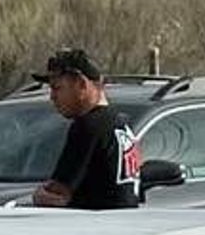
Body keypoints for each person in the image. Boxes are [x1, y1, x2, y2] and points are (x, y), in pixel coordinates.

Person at [33, 52, 141, 209]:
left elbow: (57, 194)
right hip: (128, 224)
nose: (52, 97)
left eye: (57, 88)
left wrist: (39, 195)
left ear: (82, 84)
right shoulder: (121, 123)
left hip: (94, 226)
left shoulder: (88, 126)